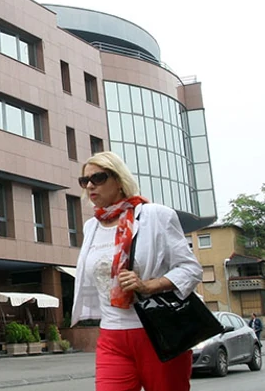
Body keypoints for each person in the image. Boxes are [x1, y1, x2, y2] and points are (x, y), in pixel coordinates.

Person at [71, 151, 202, 391]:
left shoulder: (156, 216)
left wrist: (148, 285)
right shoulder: (91, 227)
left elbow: (191, 269)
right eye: (85, 180)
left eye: (98, 178)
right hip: (112, 335)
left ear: (119, 180)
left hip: (159, 332)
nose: (89, 185)